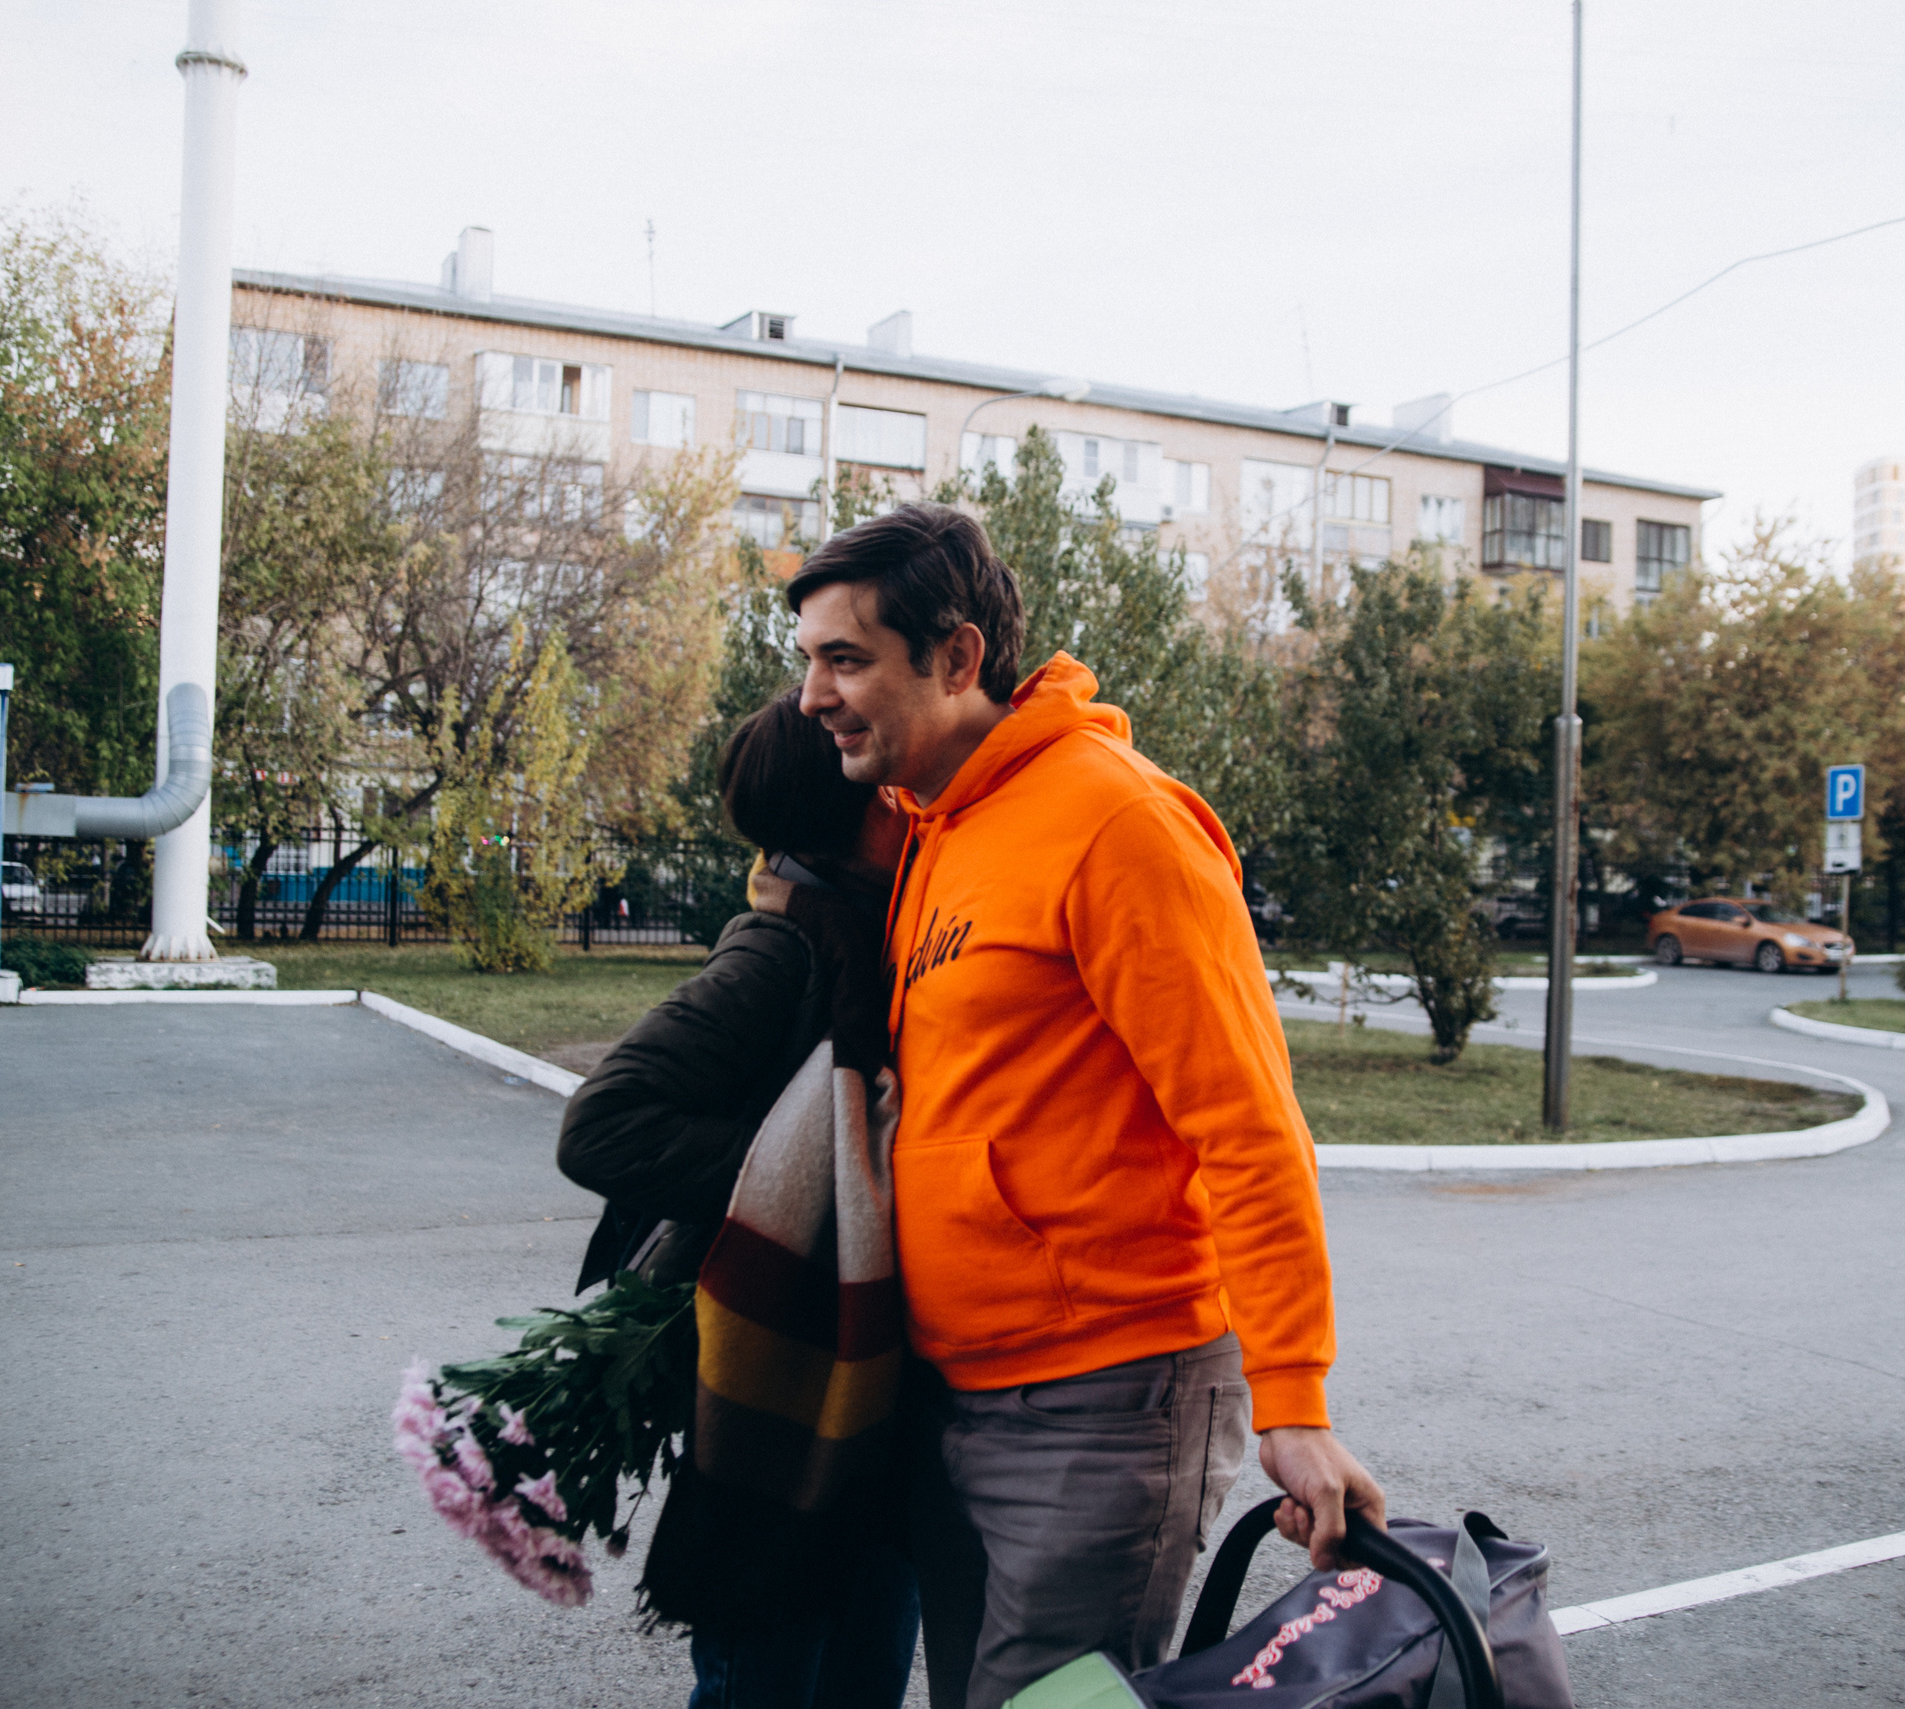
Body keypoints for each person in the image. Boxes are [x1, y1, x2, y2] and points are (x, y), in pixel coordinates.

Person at [786, 503, 1386, 1709]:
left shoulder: (1119, 823)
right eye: (806, 659)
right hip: (959, 1391)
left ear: (956, 658)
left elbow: (1248, 1124)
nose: (812, 695)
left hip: (1108, 1399)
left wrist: (1295, 1397)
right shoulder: (935, 829)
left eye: (843, 657)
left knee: (1056, 1705)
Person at [554, 690, 916, 1709]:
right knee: (771, 1659)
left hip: (852, 1369)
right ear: (864, 806)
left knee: (854, 1654)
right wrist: (806, 1187)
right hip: (778, 1368)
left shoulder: (866, 932)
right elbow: (604, 1124)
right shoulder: (783, 947)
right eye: (891, 785)